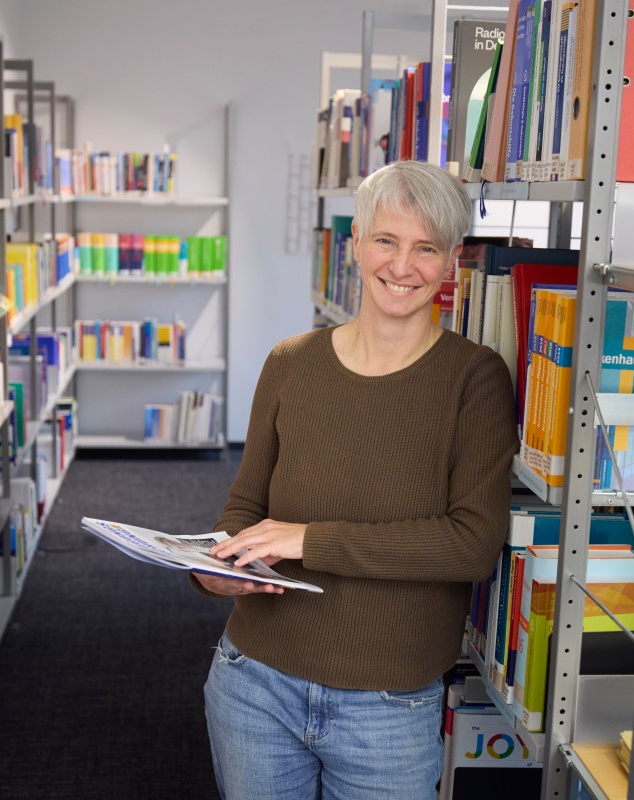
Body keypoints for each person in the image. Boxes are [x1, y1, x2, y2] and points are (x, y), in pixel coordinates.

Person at [195, 160, 518, 800]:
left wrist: (309, 541)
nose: (403, 267)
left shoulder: (475, 379)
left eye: (426, 248)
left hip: (387, 704)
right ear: (356, 245)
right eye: (386, 241)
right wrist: (216, 563)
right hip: (253, 679)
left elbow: (472, 545)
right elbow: (245, 505)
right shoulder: (291, 362)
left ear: (452, 261)